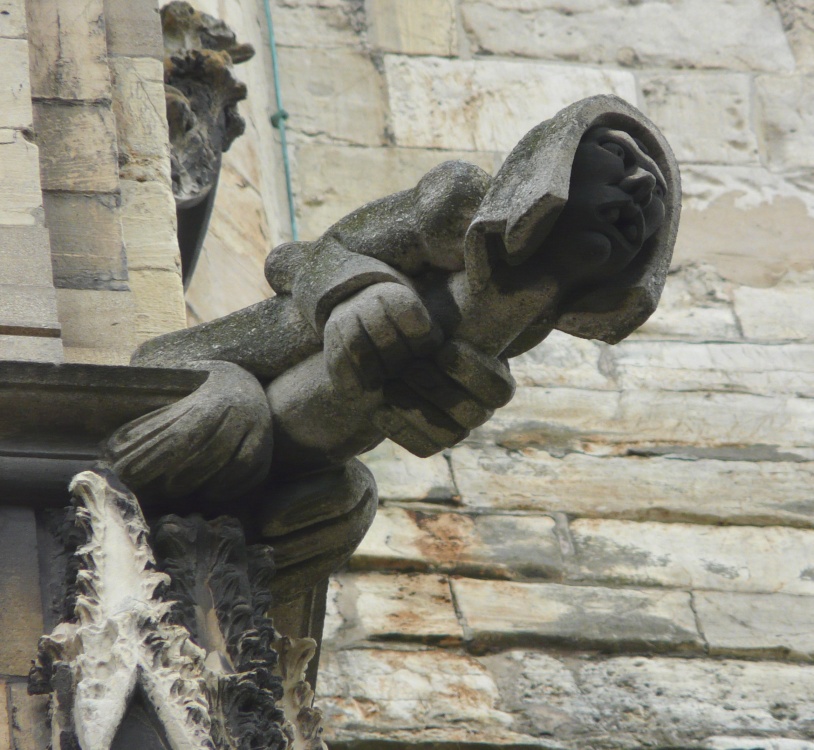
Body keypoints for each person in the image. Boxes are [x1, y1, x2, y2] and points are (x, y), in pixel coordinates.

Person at [104, 94, 680, 603]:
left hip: (281, 464)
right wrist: (356, 292)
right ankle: (95, 515)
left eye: (657, 203)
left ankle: (221, 613)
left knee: (349, 502)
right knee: (233, 409)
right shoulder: (458, 206)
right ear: (557, 158)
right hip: (203, 373)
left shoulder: (517, 335)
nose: (641, 187)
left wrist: (428, 413)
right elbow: (293, 259)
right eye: (621, 157)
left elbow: (387, 410)